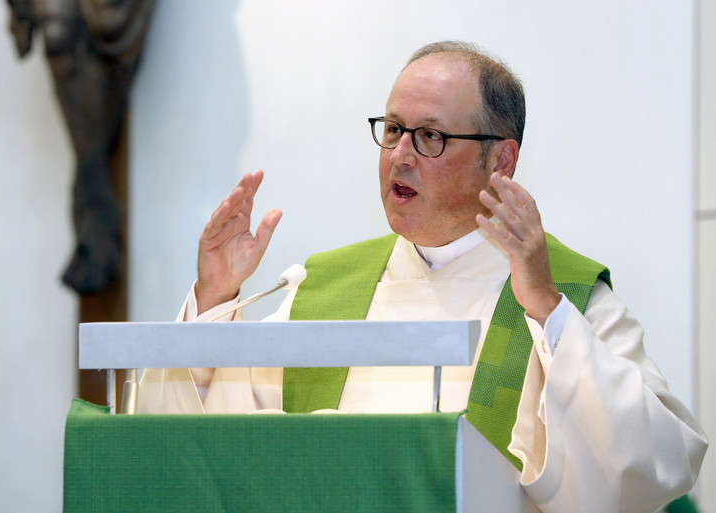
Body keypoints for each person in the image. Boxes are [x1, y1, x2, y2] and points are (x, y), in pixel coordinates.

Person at [138, 41, 707, 512]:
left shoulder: (563, 292)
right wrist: (216, 297)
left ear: (501, 161)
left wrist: (546, 310)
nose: (400, 156)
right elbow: (204, 450)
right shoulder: (322, 287)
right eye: (392, 129)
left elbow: (657, 460)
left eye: (430, 136)